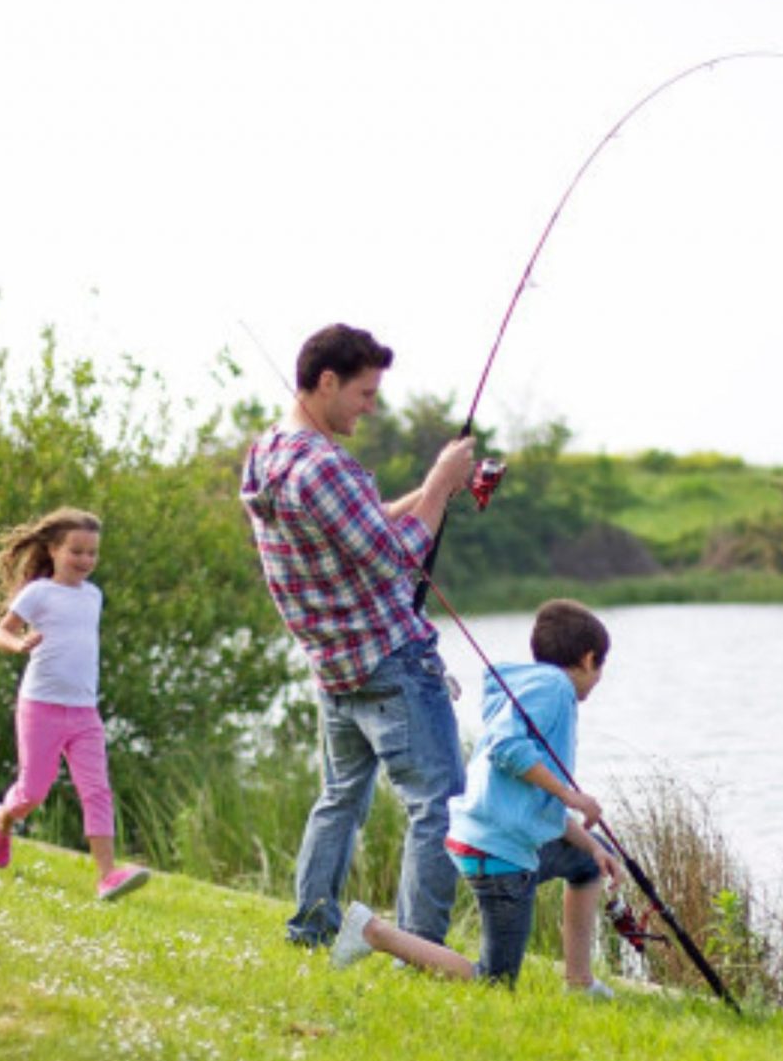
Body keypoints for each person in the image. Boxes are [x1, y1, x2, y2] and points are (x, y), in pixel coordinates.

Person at [241, 323, 481, 948]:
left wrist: (431, 494)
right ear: (327, 382)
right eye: (365, 393)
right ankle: (420, 948)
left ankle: (311, 926)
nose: (371, 407)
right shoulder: (323, 465)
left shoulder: (268, 453)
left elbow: (356, 528)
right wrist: (439, 482)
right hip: (389, 662)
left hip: (333, 667)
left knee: (341, 797)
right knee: (439, 806)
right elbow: (398, 555)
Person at [331, 599, 622, 999]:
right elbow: (508, 748)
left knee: (590, 862)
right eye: (601, 667)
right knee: (494, 983)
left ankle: (579, 983)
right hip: (498, 853)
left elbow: (530, 804)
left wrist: (591, 844)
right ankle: (373, 931)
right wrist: (572, 794)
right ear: (590, 659)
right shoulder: (554, 688)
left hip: (493, 838)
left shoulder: (531, 687)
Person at [0, 507, 150, 902]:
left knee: (96, 790)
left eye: (92, 553)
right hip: (40, 706)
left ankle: (107, 876)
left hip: (84, 711)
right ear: (54, 550)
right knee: (33, 793)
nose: (85, 561)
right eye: (77, 551)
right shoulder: (38, 592)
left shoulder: (94, 596)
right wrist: (19, 643)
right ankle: (2, 817)